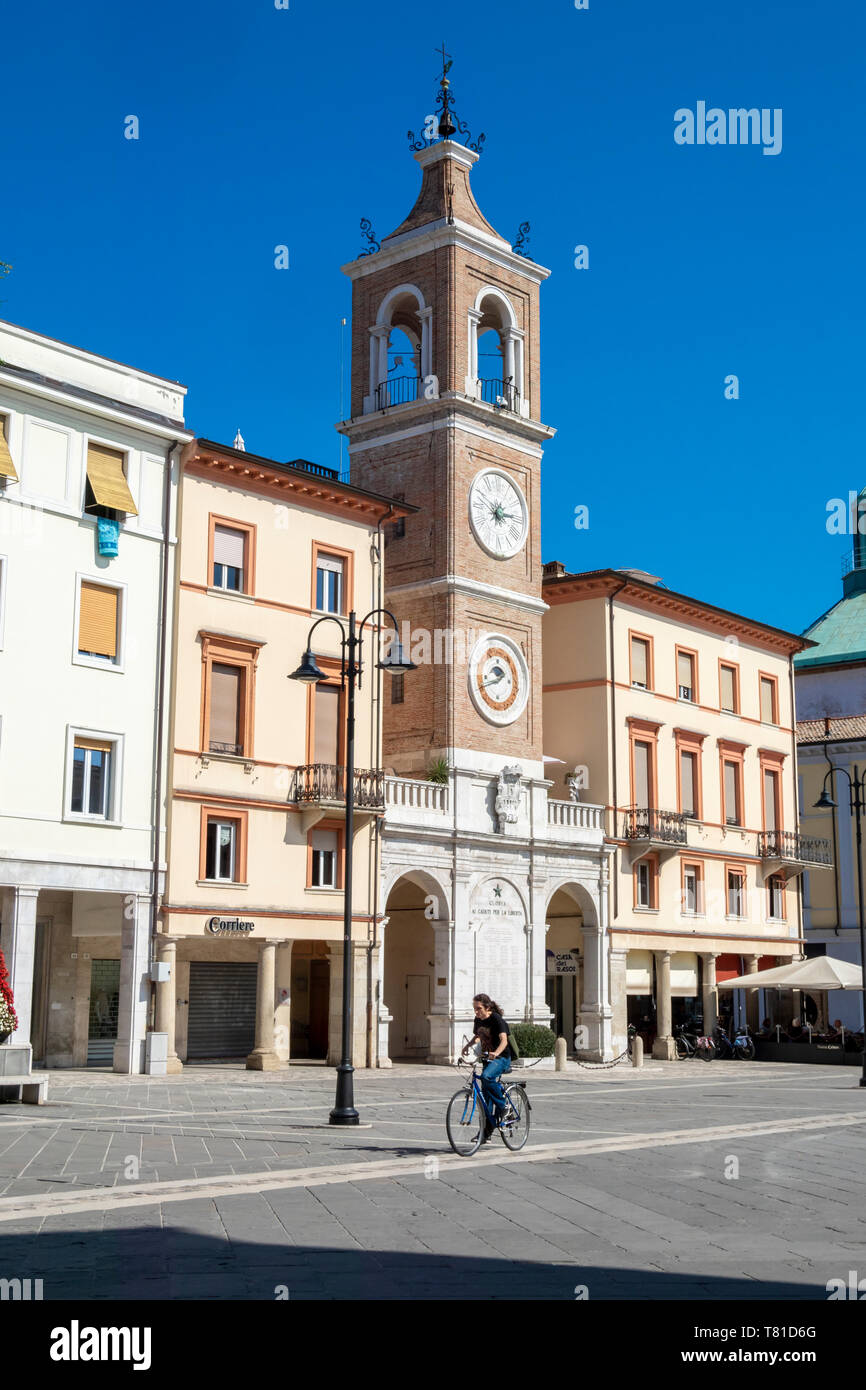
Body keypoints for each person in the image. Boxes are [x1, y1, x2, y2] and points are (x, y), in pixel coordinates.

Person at [462, 993, 514, 1133]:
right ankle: (486, 1133)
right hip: (487, 1058)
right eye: (474, 1009)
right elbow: (478, 1036)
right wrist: (468, 1045)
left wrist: (496, 1053)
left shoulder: (496, 1019)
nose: (476, 1012)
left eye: (478, 1008)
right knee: (486, 1098)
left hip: (501, 1058)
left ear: (487, 1007)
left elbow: (504, 1040)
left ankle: (504, 1107)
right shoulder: (478, 1020)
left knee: (486, 1077)